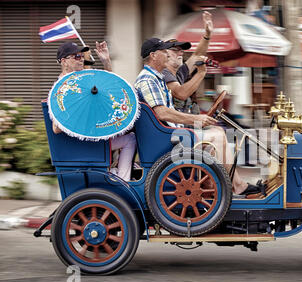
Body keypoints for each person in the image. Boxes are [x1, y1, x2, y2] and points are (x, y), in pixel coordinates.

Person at [134, 38, 260, 196]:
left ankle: (218, 188)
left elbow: (166, 110)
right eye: (164, 51)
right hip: (167, 139)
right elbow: (162, 112)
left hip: (171, 134)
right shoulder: (148, 79)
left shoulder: (156, 78)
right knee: (218, 135)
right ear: (153, 55)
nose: (167, 54)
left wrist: (207, 36)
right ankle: (235, 185)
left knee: (214, 136)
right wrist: (195, 119)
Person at [51, 41, 136, 181]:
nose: (81, 59)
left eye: (81, 56)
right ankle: (123, 180)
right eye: (76, 56)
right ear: (64, 62)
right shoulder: (63, 88)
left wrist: (106, 61)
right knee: (130, 140)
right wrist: (79, 110)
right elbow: (56, 128)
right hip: (83, 143)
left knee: (126, 130)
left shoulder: (79, 81)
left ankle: (118, 172)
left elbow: (108, 86)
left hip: (93, 136)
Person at [162, 11, 214, 115]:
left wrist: (207, 34)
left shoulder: (179, 72)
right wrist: (201, 73)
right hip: (173, 126)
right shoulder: (164, 73)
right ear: (165, 54)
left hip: (182, 122)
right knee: (216, 131)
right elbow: (181, 93)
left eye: (181, 50)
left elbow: (197, 55)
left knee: (217, 128)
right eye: (175, 50)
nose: (180, 52)